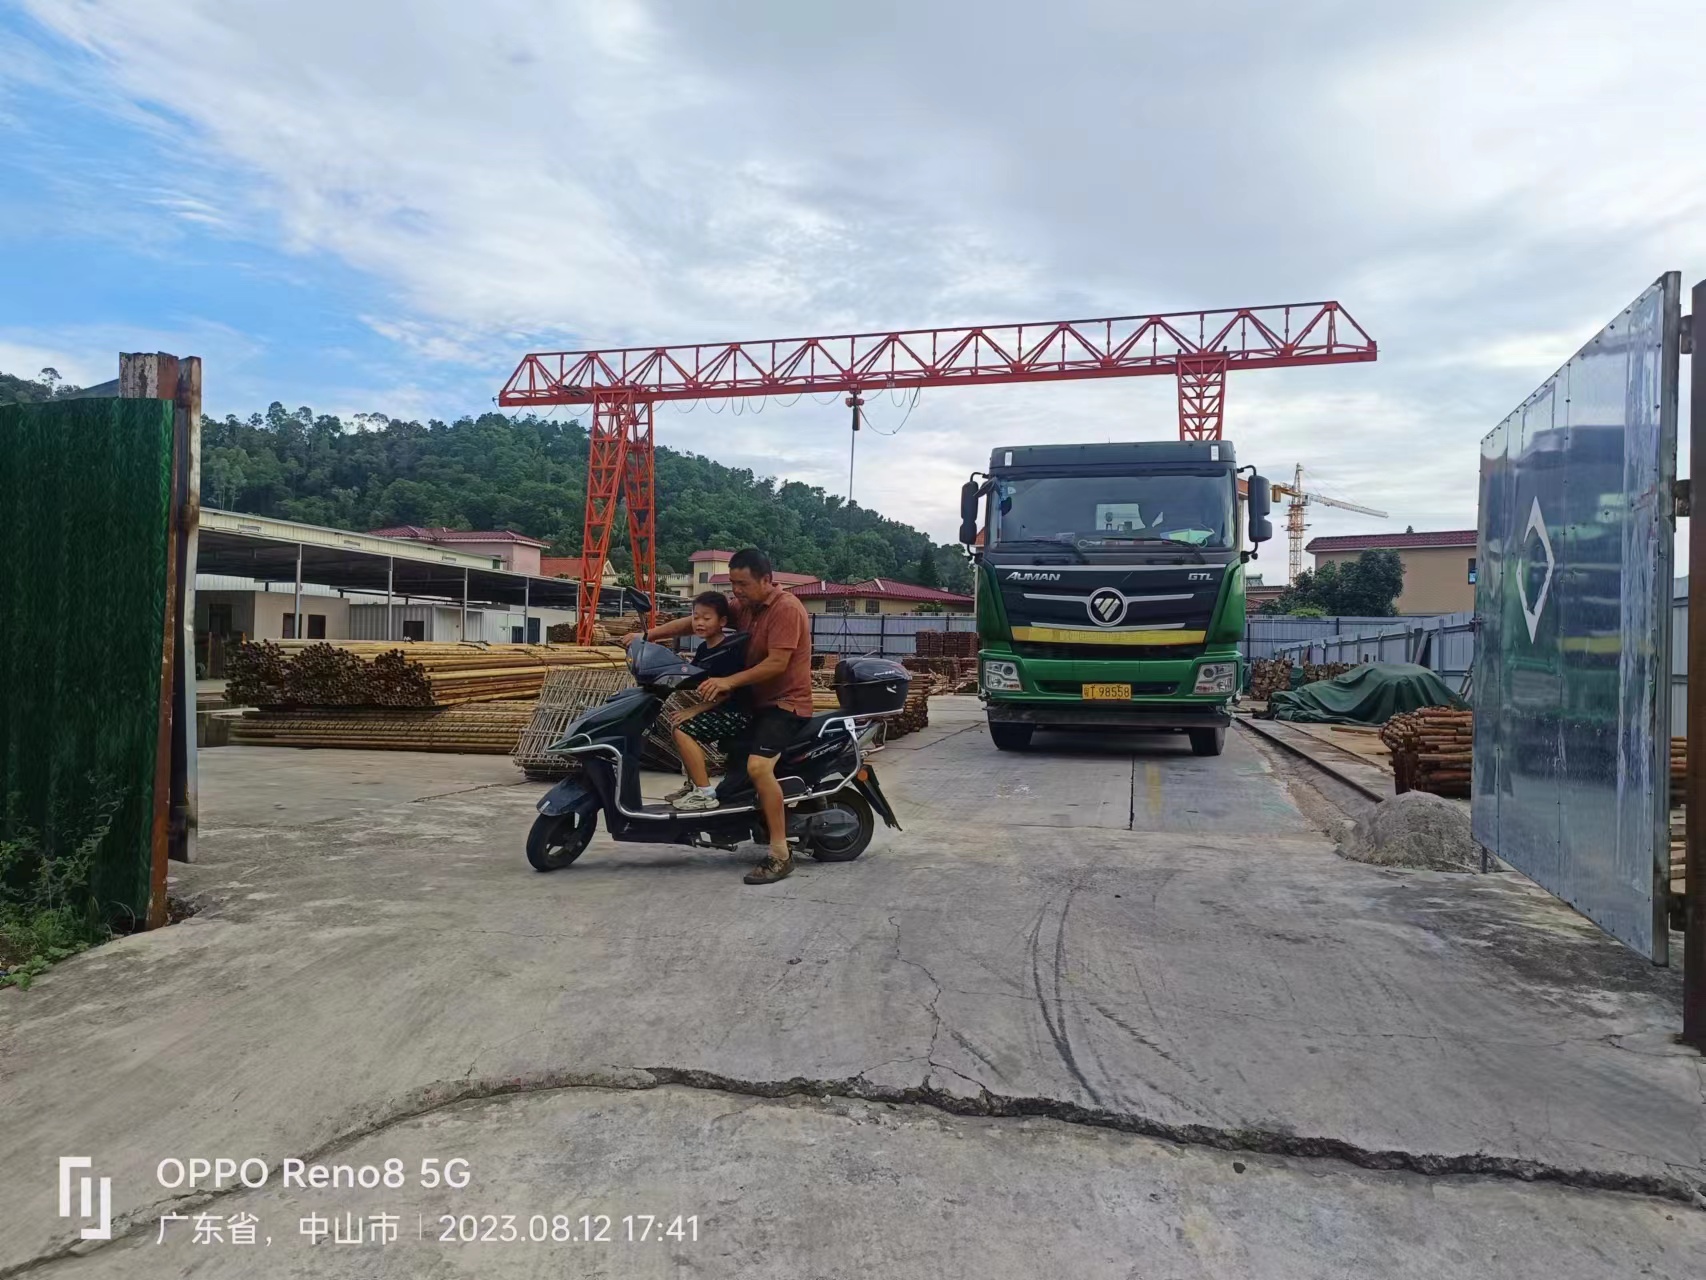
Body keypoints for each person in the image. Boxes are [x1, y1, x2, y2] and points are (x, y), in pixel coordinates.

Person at [638, 547, 814, 885]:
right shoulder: (745, 606)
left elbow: (777, 663)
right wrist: (647, 636)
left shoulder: (786, 610)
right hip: (752, 702)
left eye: (743, 584)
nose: (736, 591)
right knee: (720, 763)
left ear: (766, 580)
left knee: (758, 767)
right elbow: (698, 619)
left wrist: (726, 682)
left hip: (785, 704)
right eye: (733, 584)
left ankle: (780, 853)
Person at [664, 592, 752, 812]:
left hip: (736, 712)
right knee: (676, 724)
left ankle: (705, 794)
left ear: (722, 621)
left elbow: (726, 693)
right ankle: (693, 785)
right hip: (722, 708)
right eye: (695, 617)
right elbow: (693, 677)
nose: (699, 623)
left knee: (682, 729)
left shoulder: (730, 650)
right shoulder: (704, 649)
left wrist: (693, 710)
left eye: (706, 618)